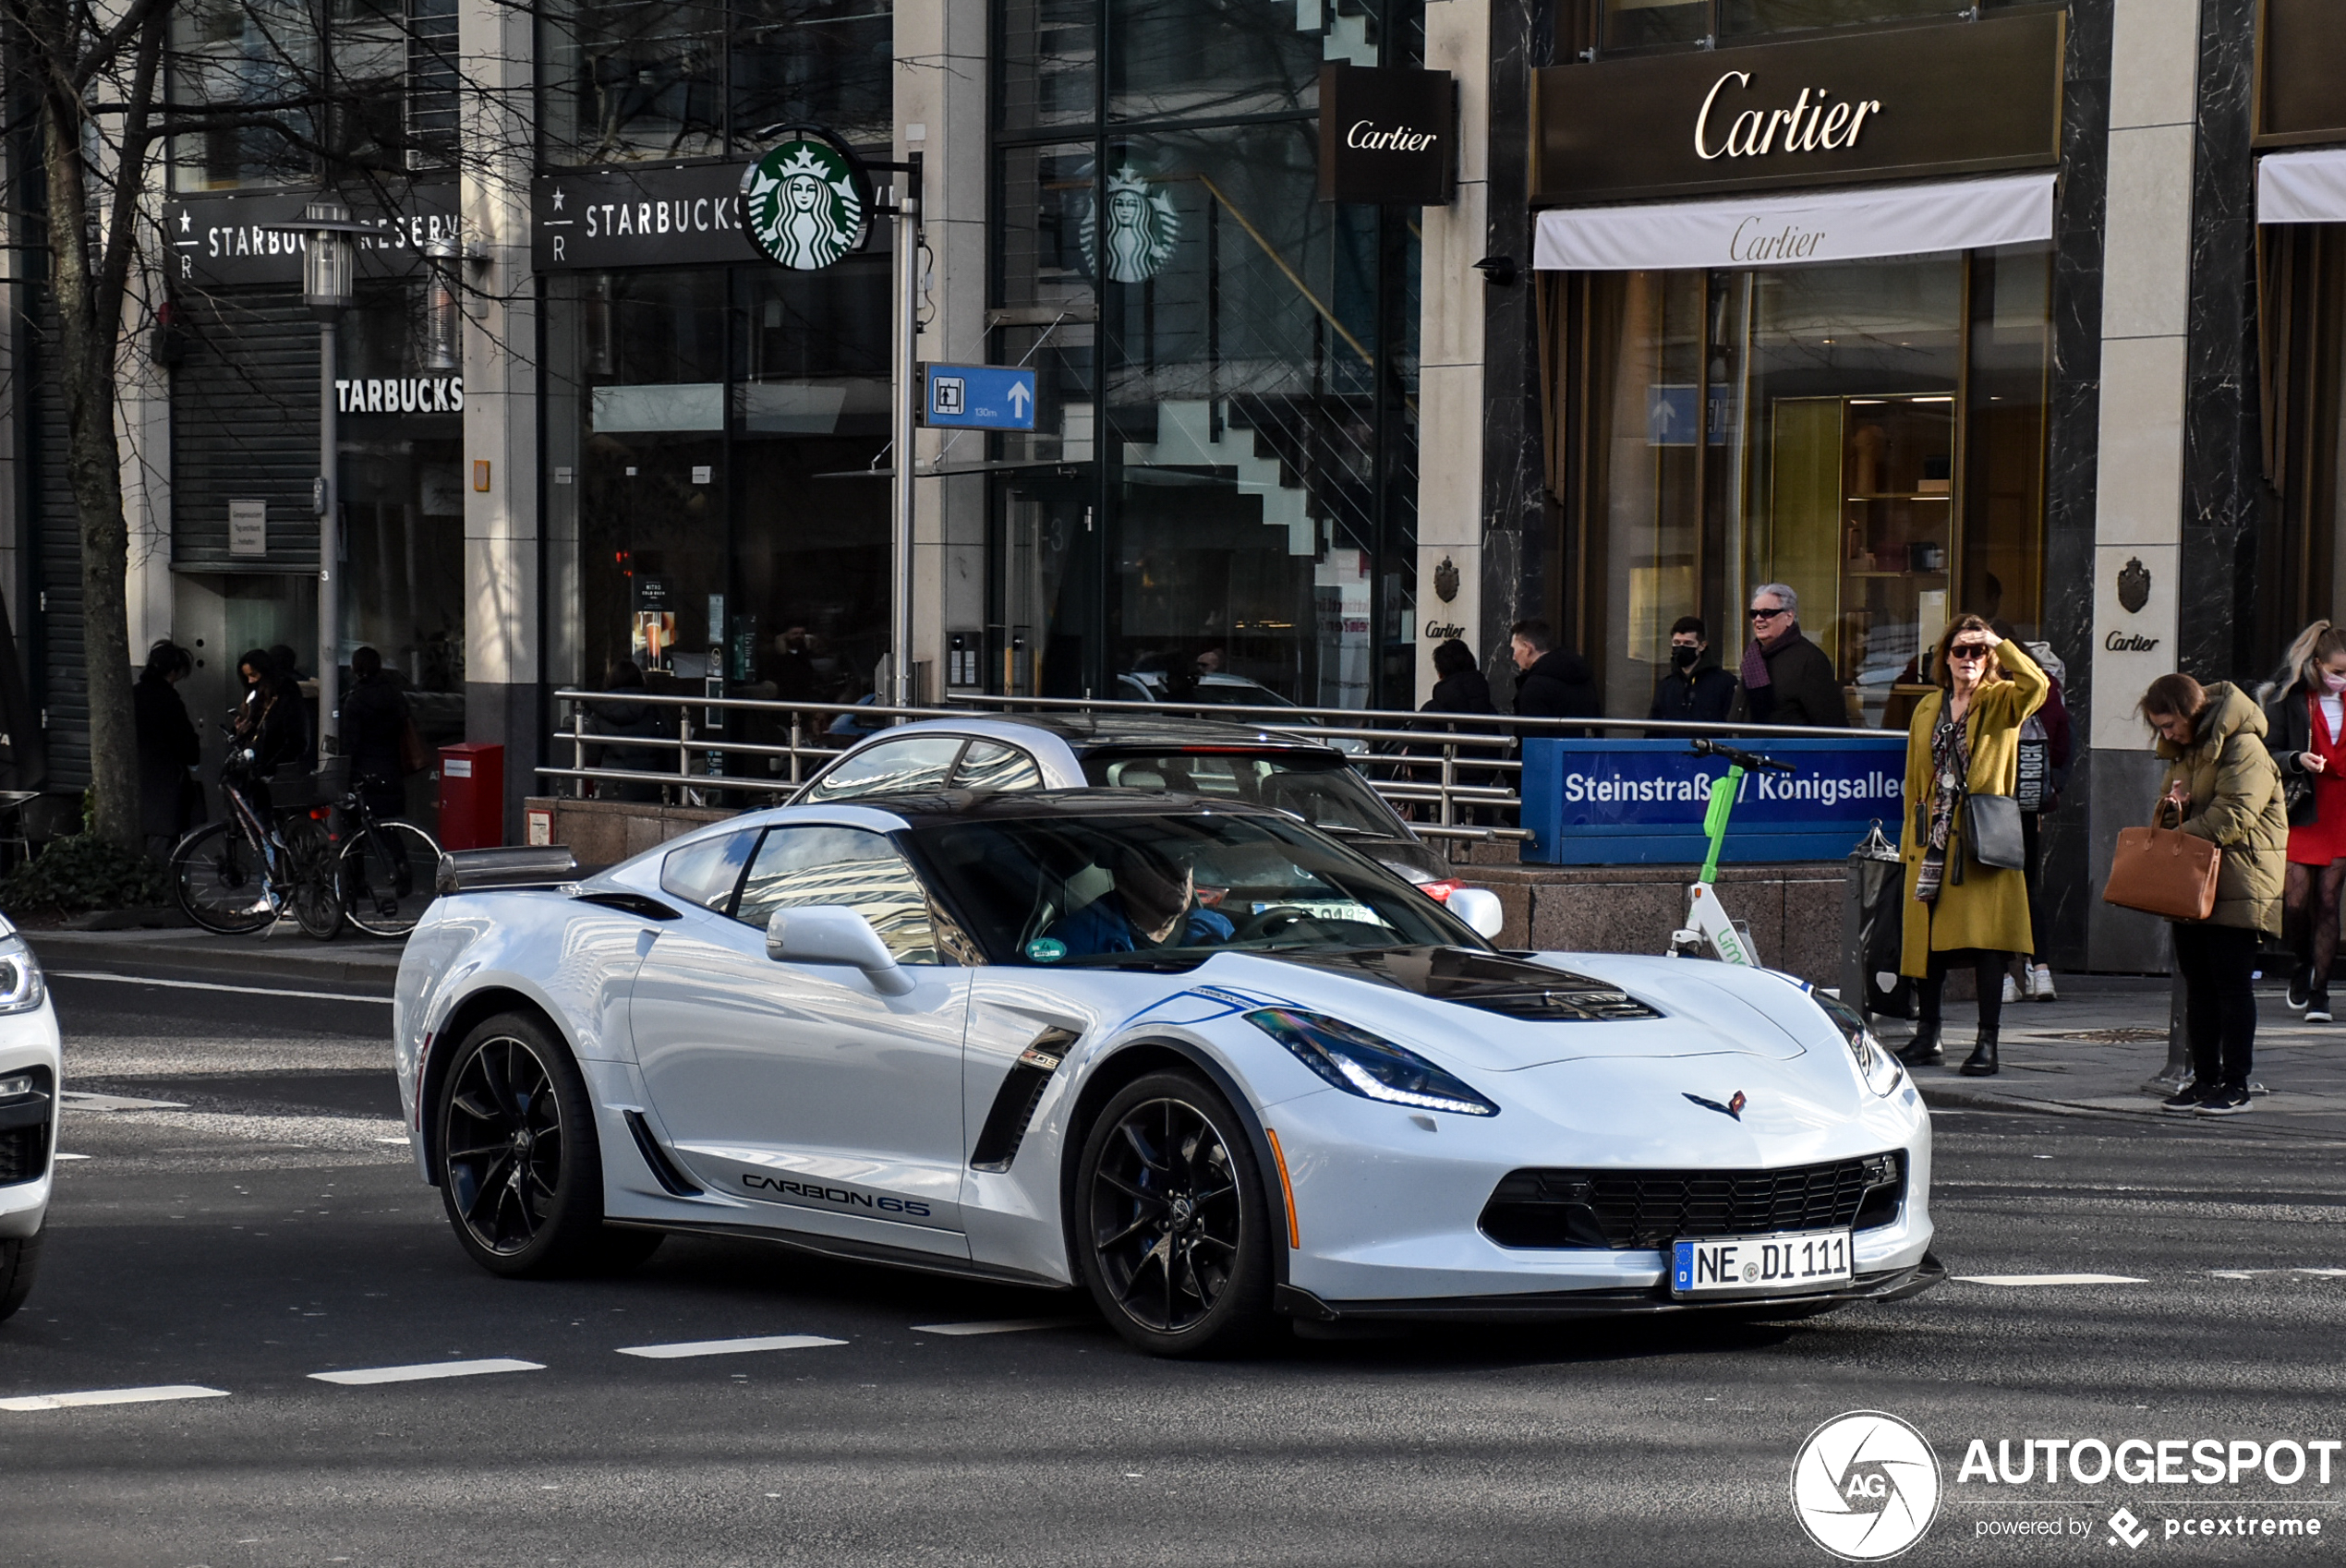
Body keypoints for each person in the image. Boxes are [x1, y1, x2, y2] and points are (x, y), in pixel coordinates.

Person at [1895, 616, 2049, 1078]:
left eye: (1978, 652)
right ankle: (1929, 1035)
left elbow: (2038, 684)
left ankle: (1987, 1043)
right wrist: (1909, 841)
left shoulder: (2002, 700)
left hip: (1979, 838)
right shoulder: (1927, 707)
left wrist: (1999, 640)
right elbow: (1911, 779)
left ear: (1991, 659)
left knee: (1987, 944)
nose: (1968, 659)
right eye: (1960, 650)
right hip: (1932, 835)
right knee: (1927, 942)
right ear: (1945, 657)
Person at [2143, 673, 2288, 1116]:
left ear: (2193, 712)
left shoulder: (2244, 747)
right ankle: (2204, 1080)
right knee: (2199, 986)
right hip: (2194, 879)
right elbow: (2170, 813)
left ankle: (2236, 1083)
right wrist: (2173, 810)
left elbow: (2235, 815)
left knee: (2231, 986)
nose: (2167, 735)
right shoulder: (2186, 753)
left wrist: (2178, 838)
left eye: (2171, 725)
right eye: (2160, 728)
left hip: (2239, 879)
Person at [2260, 621, 2346, 1023]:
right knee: (2295, 903)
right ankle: (2302, 961)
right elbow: (2268, 751)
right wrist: (2297, 760)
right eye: (2337, 671)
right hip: (2304, 808)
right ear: (2316, 664)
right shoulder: (2290, 699)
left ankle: (2320, 993)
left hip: (2341, 812)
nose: (2342, 680)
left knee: (2329, 901)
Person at [2002, 638, 2074, 1006]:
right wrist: (2050, 786)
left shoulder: (1994, 691)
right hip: (2030, 804)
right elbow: (2063, 748)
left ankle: (2002, 975)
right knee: (2029, 888)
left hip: (1992, 805)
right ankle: (2040, 970)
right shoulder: (2049, 690)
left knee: (1996, 887)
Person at [1046, 841, 1236, 958]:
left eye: (1187, 862)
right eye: (1164, 863)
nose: (1181, 874)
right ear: (1122, 875)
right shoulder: (1074, 940)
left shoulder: (1216, 927)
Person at [1728, 584, 1846, 729]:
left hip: (1786, 749)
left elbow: (1831, 723)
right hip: (1745, 747)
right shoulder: (1754, 656)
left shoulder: (1810, 660)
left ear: (1789, 617)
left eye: (1767, 613)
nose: (1758, 619)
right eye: (1754, 613)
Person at [133, 640, 199, 860]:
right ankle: (163, 892)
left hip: (135, 783)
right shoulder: (169, 700)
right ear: (174, 671)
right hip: (165, 785)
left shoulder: (132, 695)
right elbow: (187, 745)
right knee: (164, 852)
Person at [339, 645, 413, 821]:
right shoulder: (395, 694)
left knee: (360, 826)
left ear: (355, 668)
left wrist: (344, 773)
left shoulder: (355, 700)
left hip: (365, 774)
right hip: (392, 769)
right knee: (389, 827)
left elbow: (351, 743)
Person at [586, 659, 673, 802]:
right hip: (649, 783)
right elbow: (667, 749)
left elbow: (592, 753)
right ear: (640, 680)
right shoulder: (654, 708)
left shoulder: (600, 711)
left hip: (611, 783)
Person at [1508, 620, 1601, 736]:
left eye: (1514, 649)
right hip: (1583, 751)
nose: (1513, 657)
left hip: (1548, 751)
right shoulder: (1582, 675)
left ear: (1527, 648)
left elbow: (1531, 737)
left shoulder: (1535, 686)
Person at [1648, 616, 1736, 726]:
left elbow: (1732, 726)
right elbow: (1653, 729)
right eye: (1676, 642)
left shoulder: (1724, 683)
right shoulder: (1666, 686)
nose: (1681, 647)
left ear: (1702, 646)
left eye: (1688, 643)